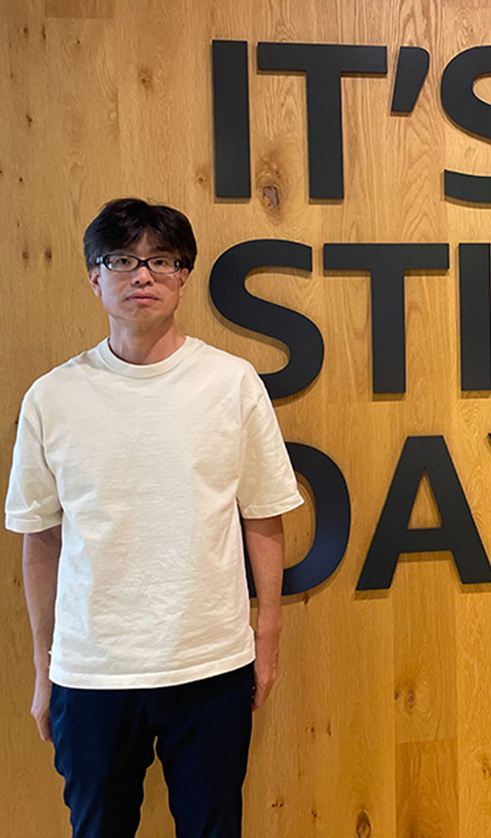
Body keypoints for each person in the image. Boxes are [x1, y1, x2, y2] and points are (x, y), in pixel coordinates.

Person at [4, 197, 303, 838]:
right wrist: (44, 668)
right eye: (122, 260)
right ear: (95, 276)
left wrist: (267, 639)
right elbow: (42, 540)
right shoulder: (52, 398)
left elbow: (264, 516)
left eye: (161, 260)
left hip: (210, 665)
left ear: (183, 276)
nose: (142, 275)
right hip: (91, 672)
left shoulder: (232, 383)